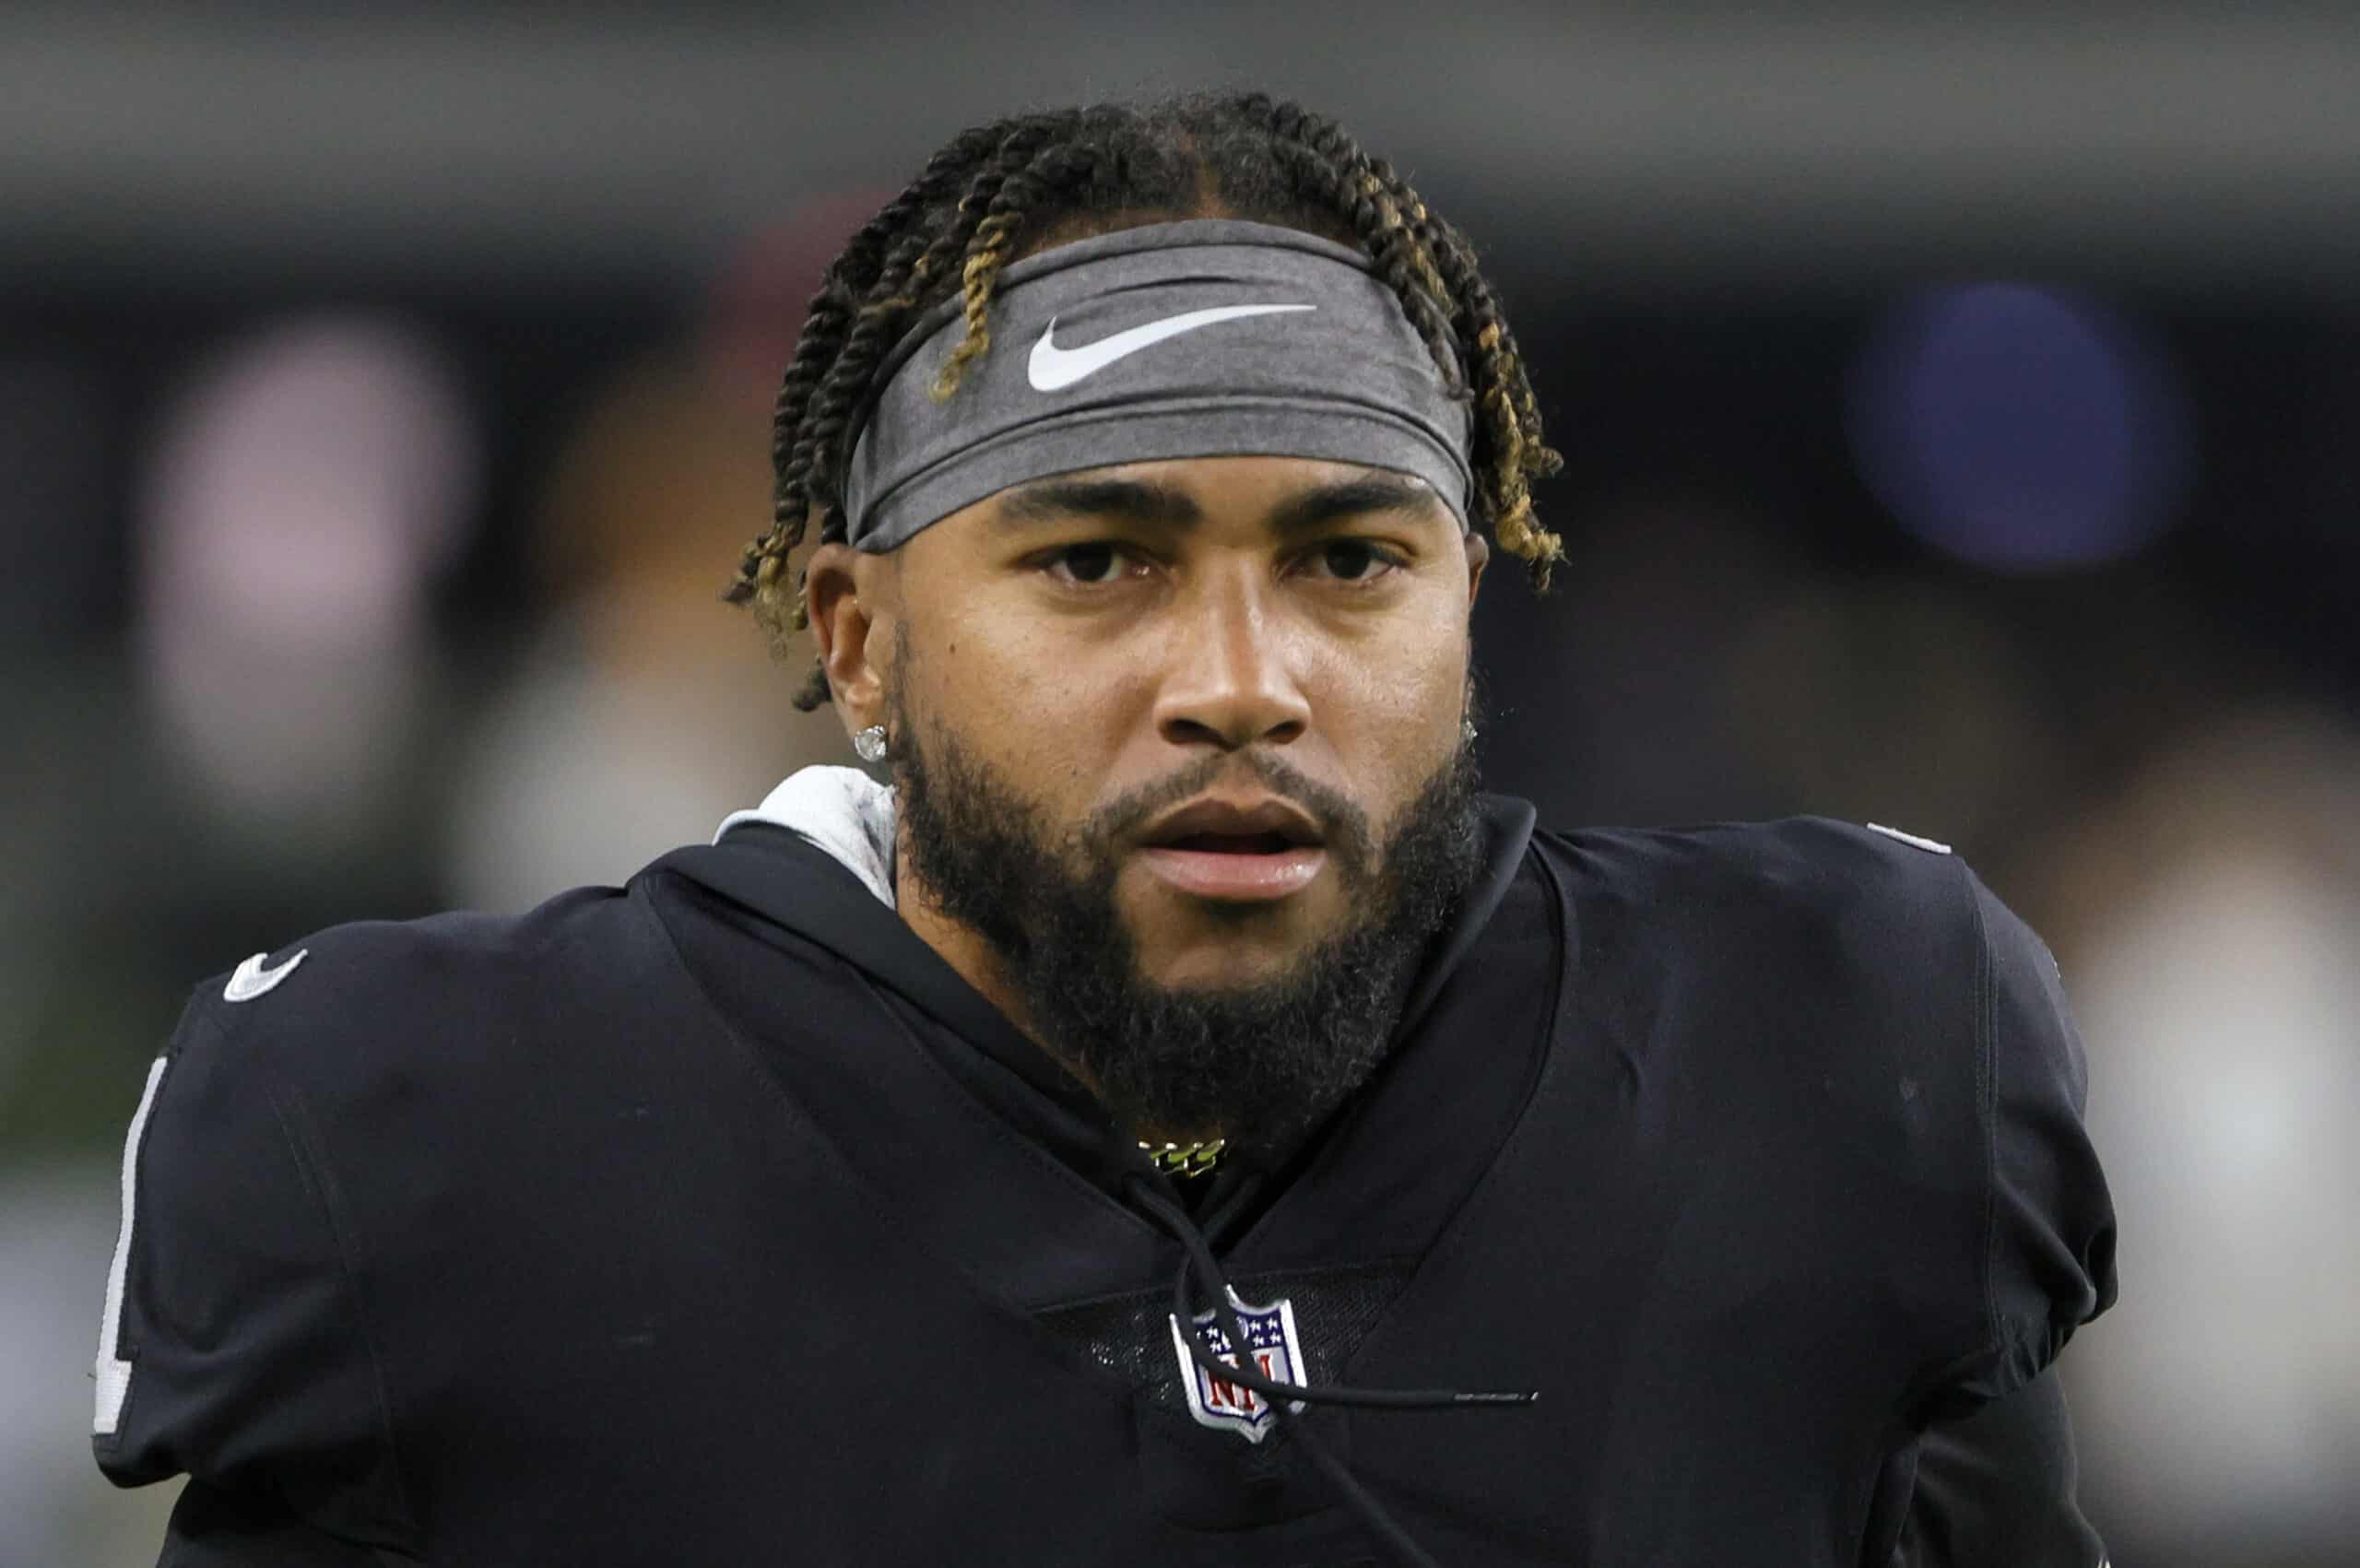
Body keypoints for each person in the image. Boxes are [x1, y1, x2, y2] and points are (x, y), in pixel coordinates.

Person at [90, 90, 2118, 1567]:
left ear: (1465, 598)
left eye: (1345, 560)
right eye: (1094, 562)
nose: (1239, 675)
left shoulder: (1838, 1042)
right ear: (855, 638)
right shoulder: (428, 1131)